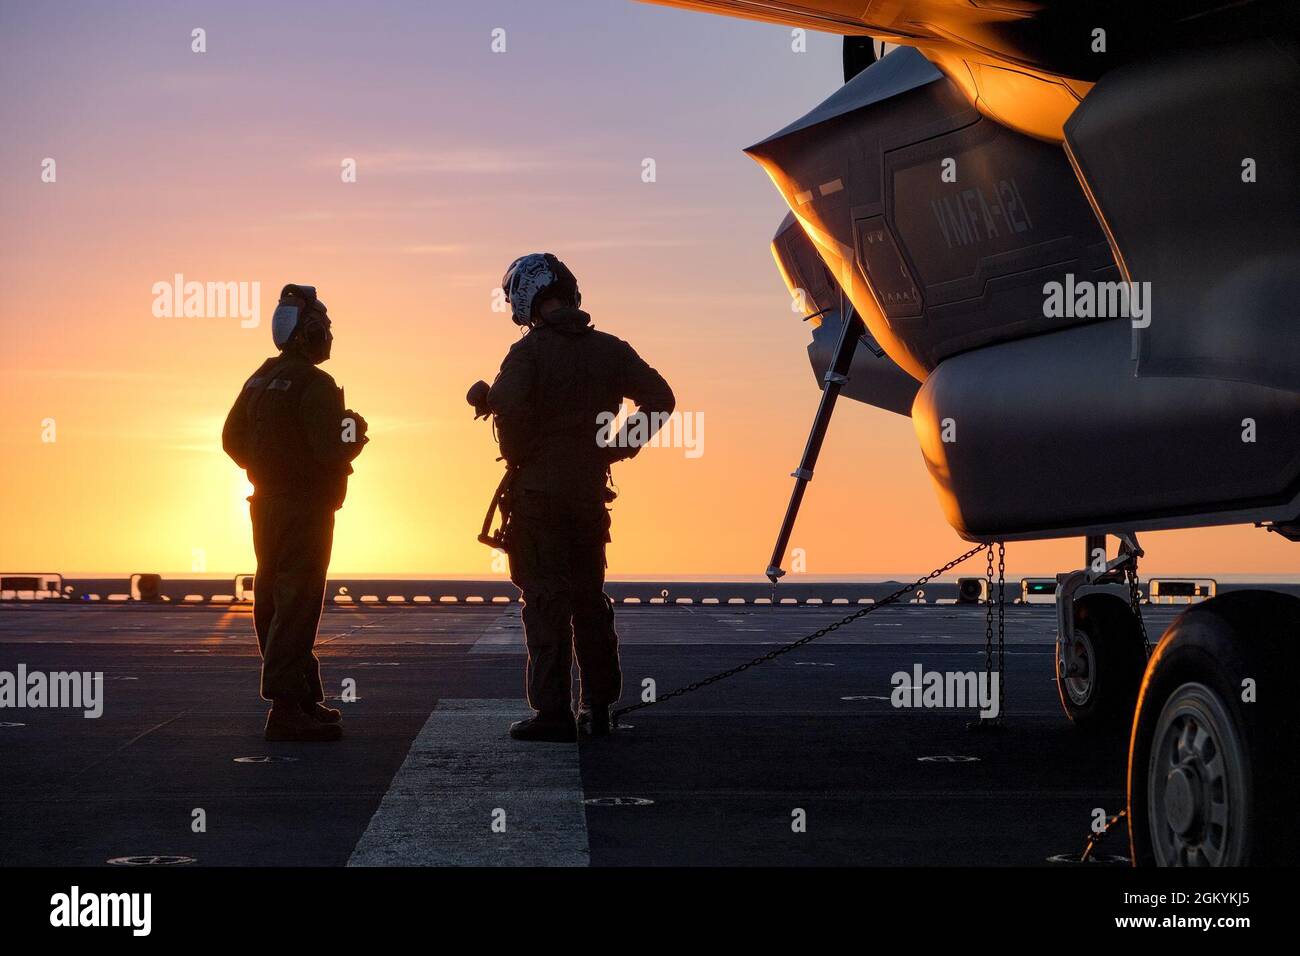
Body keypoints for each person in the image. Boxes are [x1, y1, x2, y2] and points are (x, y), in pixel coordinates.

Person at [488, 253, 675, 741]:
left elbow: (509, 414)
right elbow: (661, 399)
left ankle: (552, 715)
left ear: (526, 297)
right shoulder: (611, 350)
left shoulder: (525, 354)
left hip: (539, 495)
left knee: (547, 600)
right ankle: (599, 707)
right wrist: (615, 448)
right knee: (590, 600)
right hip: (588, 493)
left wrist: (517, 440)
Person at [222, 284, 368, 742]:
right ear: (308, 332)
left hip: (264, 504)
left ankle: (304, 697)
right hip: (304, 506)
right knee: (299, 601)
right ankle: (287, 707)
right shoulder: (316, 384)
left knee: (272, 597)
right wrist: (356, 434)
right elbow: (330, 449)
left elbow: (231, 440)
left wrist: (266, 466)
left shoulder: (259, 377)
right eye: (324, 328)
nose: (329, 336)